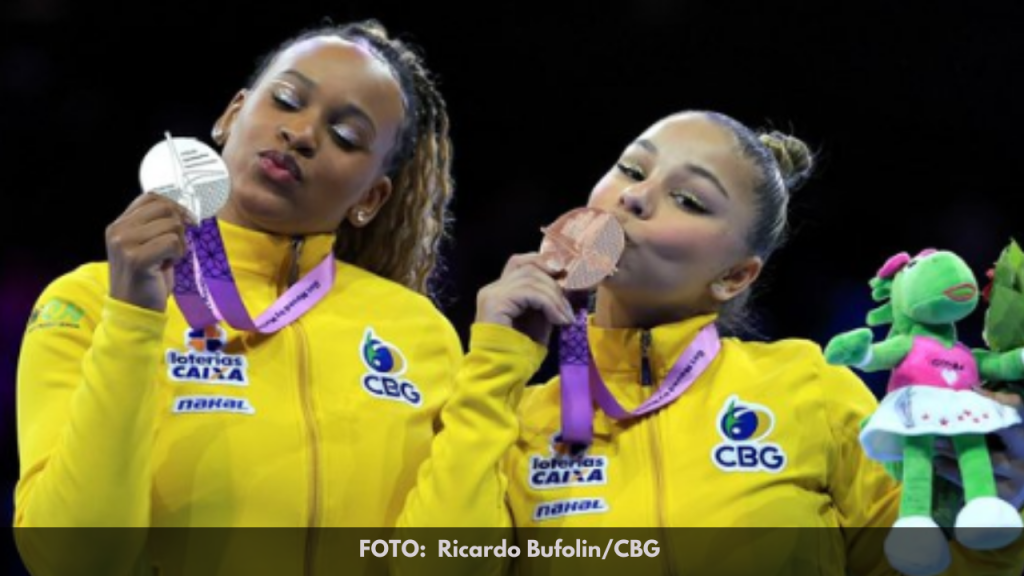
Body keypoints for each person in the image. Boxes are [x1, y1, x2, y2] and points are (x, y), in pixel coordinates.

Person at [396, 110, 1024, 574]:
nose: (635, 197)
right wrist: (494, 368)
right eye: (631, 169)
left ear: (735, 276)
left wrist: (996, 514)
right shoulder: (515, 418)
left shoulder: (810, 392)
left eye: (689, 199)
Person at [15, 19, 463, 575]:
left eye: (346, 136)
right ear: (232, 115)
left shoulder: (420, 335)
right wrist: (132, 320)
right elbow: (73, 560)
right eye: (287, 100)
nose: (301, 134)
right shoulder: (88, 301)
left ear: (370, 197)